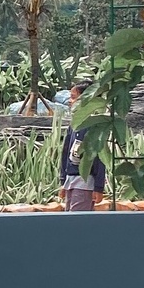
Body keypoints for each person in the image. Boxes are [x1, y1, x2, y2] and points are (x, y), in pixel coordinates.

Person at [59, 80, 106, 211]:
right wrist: (63, 181)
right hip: (71, 180)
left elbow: (100, 158)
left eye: (73, 97)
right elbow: (65, 153)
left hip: (84, 182)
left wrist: (98, 187)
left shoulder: (94, 126)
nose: (70, 101)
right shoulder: (74, 125)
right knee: (69, 217)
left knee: (76, 220)